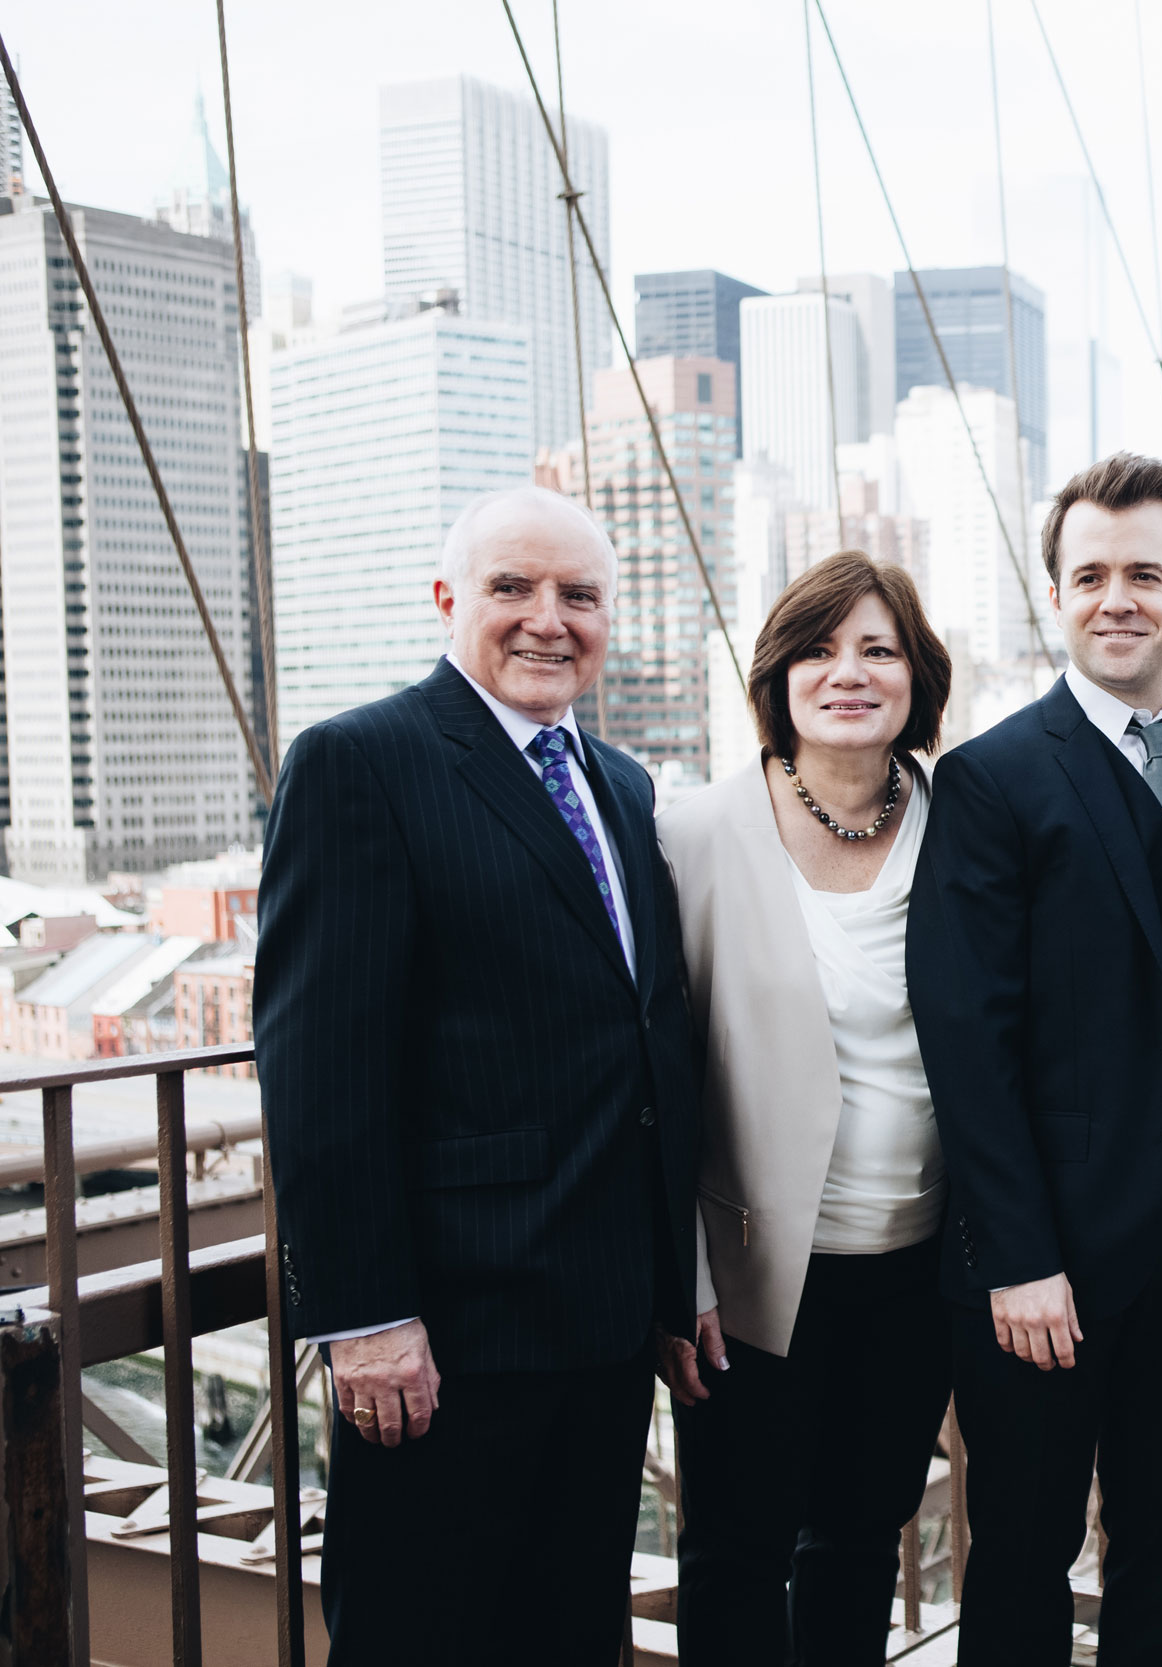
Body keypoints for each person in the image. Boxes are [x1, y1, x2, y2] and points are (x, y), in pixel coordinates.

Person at [257, 486, 701, 1664]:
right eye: (513, 588)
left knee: (567, 1634)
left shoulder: (622, 782)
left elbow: (645, 1038)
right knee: (421, 1637)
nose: (547, 619)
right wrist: (364, 1317)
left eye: (580, 595)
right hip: (446, 1338)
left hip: (602, 1327)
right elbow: (321, 1068)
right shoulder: (360, 761)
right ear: (449, 599)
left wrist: (670, 1278)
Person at [906, 453, 1162, 1665]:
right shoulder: (990, 776)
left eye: (1144, 573)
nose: (1117, 596)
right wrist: (1018, 1259)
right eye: (1089, 575)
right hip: (1041, 1270)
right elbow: (966, 1033)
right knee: (1020, 1550)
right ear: (1053, 595)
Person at [655, 552, 955, 1663]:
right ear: (777, 676)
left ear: (917, 677)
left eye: (879, 648)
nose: (849, 672)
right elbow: (663, 1081)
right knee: (735, 1546)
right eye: (820, 649)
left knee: (862, 1534)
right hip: (747, 1282)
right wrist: (678, 1281)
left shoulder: (959, 824)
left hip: (918, 1264)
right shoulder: (693, 835)